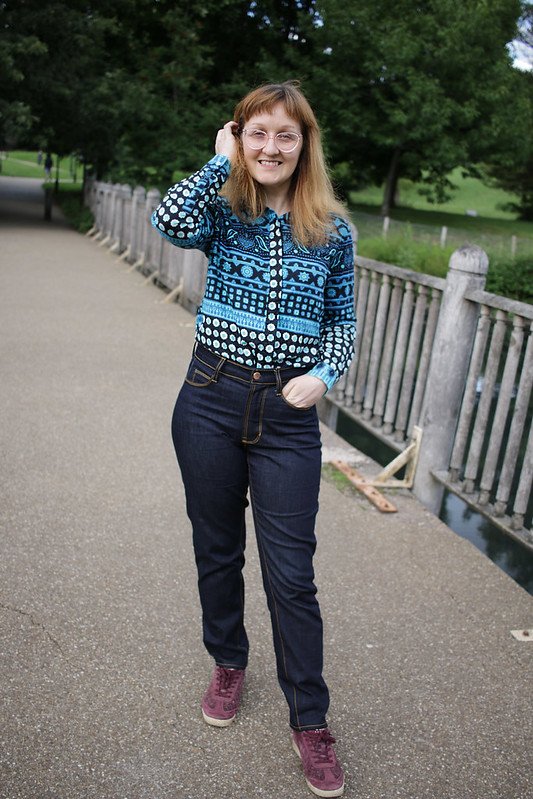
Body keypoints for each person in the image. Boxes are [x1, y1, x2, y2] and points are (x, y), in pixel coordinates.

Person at [152, 81, 356, 798]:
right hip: (208, 397)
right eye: (257, 133)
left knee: (291, 574)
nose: (271, 148)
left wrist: (323, 373)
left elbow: (342, 319)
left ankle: (311, 720)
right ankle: (229, 660)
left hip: (288, 417)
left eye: (285, 136)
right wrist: (217, 163)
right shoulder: (222, 207)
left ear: (305, 145)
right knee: (216, 546)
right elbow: (167, 221)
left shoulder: (332, 229)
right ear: (239, 137)